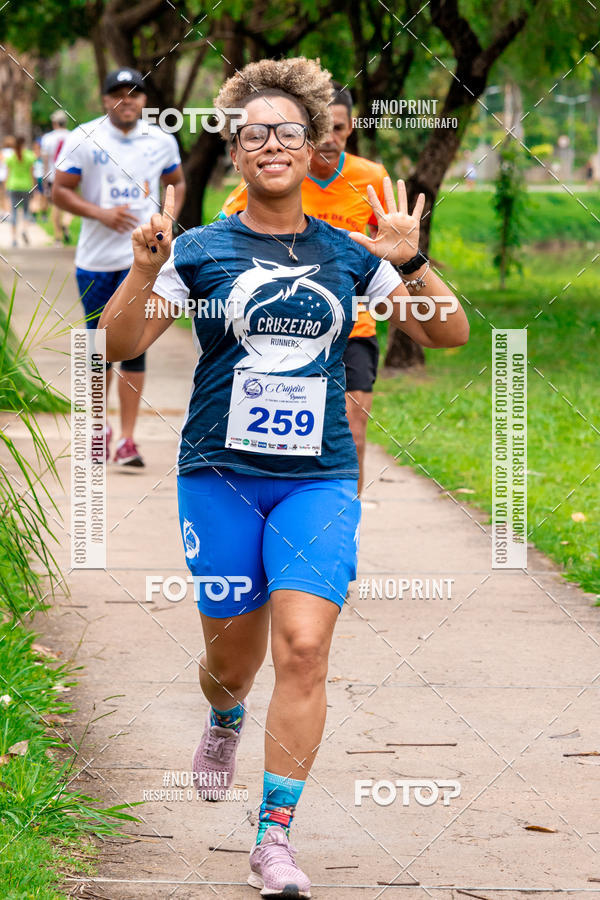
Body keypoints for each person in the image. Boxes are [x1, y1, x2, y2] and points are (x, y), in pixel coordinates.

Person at [99, 57, 469, 897]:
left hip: (319, 480)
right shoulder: (197, 250)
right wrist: (145, 271)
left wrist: (410, 264)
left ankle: (273, 836)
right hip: (220, 477)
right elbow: (120, 347)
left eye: (290, 132)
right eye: (255, 132)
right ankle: (225, 714)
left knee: (304, 649)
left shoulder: (347, 251)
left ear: (315, 146)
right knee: (232, 661)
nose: (273, 143)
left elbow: (447, 334)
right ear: (233, 149)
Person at [222, 82, 392, 495]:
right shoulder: (276, 176)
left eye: (339, 127)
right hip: (286, 323)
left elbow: (389, 242)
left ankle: (341, 518)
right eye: (323, 129)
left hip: (354, 328)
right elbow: (228, 232)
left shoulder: (370, 179)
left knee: (352, 432)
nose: (331, 138)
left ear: (350, 128)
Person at [53, 68, 185, 467]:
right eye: (117, 94)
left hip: (143, 262)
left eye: (135, 94)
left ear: (144, 101)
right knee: (98, 350)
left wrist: (165, 220)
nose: (126, 101)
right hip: (95, 261)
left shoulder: (161, 140)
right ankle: (97, 431)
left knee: (135, 348)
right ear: (104, 99)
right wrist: (101, 214)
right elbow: (59, 190)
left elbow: (176, 182)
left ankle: (128, 439)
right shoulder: (84, 138)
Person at [41, 110, 71, 245]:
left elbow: (45, 161)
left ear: (54, 123)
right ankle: (66, 223)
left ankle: (58, 237)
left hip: (54, 176)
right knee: (71, 203)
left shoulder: (47, 138)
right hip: (71, 175)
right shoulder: (73, 136)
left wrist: (45, 179)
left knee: (56, 206)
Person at [3, 136, 35, 247]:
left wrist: (6, 187)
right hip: (26, 186)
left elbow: (7, 174)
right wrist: (34, 186)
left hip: (13, 186)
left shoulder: (11, 157)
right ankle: (24, 230)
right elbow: (32, 173)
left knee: (14, 212)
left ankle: (14, 239)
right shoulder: (30, 156)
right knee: (26, 211)